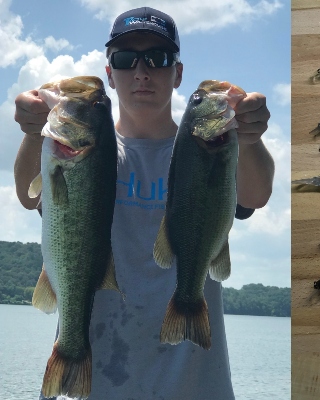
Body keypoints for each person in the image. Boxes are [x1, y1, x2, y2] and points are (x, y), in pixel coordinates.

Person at [13, 7, 274, 399]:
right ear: (110, 74)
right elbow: (27, 194)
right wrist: (34, 134)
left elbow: (256, 194)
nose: (141, 71)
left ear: (178, 72)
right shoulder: (83, 151)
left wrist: (250, 140)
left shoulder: (208, 150)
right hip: (95, 378)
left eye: (158, 57)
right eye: (125, 58)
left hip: (196, 384)